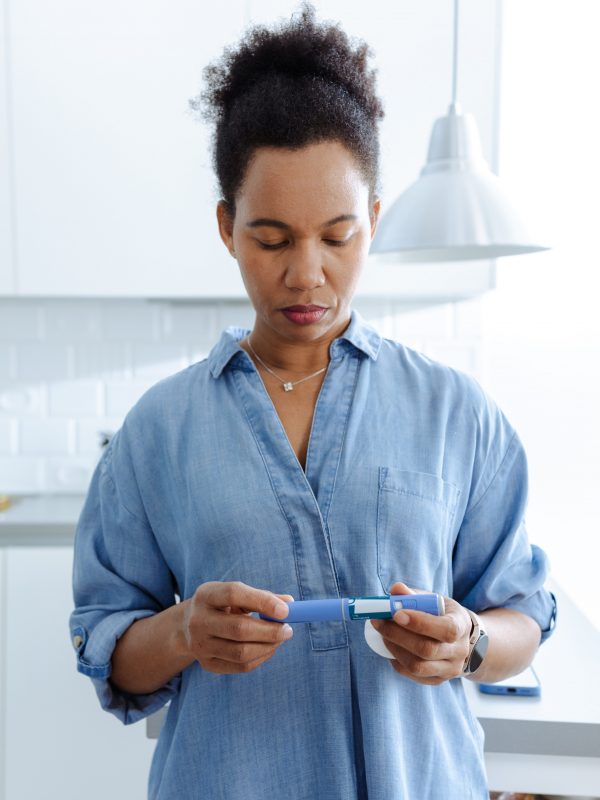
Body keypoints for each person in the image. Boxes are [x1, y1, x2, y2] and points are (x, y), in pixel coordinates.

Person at [69, 4, 557, 799]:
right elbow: (107, 643)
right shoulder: (158, 432)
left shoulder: (456, 412)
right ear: (227, 228)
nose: (306, 273)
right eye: (271, 238)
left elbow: (522, 619)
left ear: (372, 219)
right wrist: (186, 630)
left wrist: (467, 643)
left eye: (337, 236)